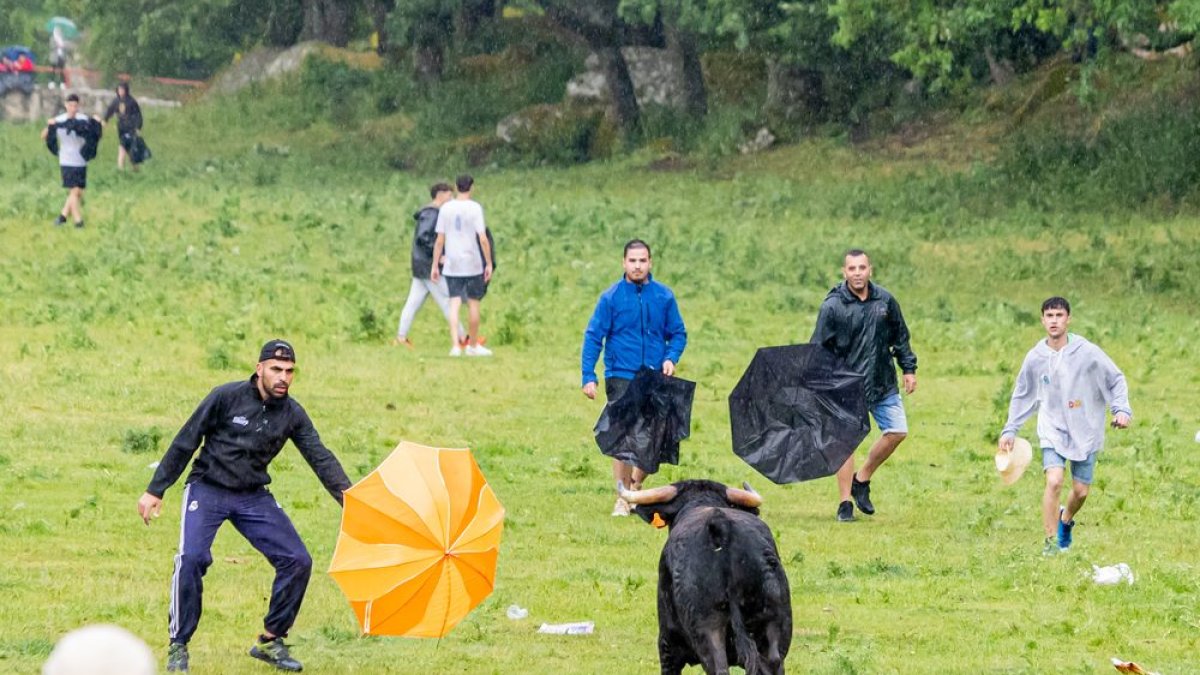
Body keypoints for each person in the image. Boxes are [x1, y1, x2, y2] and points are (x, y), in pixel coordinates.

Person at [136, 340, 351, 673]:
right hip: (207, 488)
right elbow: (187, 439)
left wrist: (350, 501)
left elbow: (320, 457)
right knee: (192, 558)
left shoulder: (292, 414)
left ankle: (271, 640)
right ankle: (178, 646)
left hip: (252, 495)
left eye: (289, 371)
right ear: (259, 368)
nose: (283, 377)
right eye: (276, 369)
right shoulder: (226, 396)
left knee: (297, 560)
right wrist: (156, 489)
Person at [998, 297, 1131, 555]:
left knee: (1080, 492)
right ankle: (1051, 544)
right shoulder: (1035, 357)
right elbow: (1022, 393)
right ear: (1042, 320)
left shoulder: (1087, 352)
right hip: (1052, 427)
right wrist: (1010, 429)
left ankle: (1065, 520)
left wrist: (1121, 409)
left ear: (1068, 319)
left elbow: (1115, 379)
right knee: (1054, 481)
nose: (1054, 321)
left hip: (1085, 428)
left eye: (1059, 315)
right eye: (1049, 316)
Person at [581, 239, 687, 516]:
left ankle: (636, 486)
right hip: (621, 375)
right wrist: (588, 375)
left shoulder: (664, 297)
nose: (637, 266)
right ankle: (621, 497)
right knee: (623, 439)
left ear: (650, 263)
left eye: (642, 260)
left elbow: (678, 333)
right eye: (632, 261)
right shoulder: (611, 298)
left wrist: (670, 358)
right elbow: (594, 336)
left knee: (655, 438)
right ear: (624, 263)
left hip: (654, 375)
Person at [811, 248, 917, 522]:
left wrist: (908, 369)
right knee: (845, 443)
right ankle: (845, 503)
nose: (857, 273)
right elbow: (818, 347)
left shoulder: (885, 301)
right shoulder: (832, 306)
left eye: (862, 268)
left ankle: (862, 478)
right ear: (844, 272)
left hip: (882, 381)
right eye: (852, 268)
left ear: (870, 270)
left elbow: (900, 337)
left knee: (898, 431)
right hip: (845, 385)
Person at [394, 182, 468, 349]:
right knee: (447, 301)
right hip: (429, 266)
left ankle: (401, 338)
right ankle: (463, 338)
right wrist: (438, 255)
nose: (451, 199)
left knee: (413, 303)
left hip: (421, 265)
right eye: (449, 195)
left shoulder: (430, 213)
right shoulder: (432, 214)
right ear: (440, 195)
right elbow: (424, 237)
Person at [431, 174, 494, 357]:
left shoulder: (446, 208)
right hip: (472, 262)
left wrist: (435, 264)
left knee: (454, 303)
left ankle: (455, 346)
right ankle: (472, 345)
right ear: (472, 187)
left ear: (456, 187)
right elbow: (483, 238)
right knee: (474, 303)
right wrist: (488, 262)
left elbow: (440, 240)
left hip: (452, 262)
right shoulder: (475, 208)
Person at [41, 94, 101, 229]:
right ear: (66, 105)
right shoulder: (59, 120)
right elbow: (43, 135)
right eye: (70, 105)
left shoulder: (83, 119)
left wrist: (97, 122)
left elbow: (96, 131)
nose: (73, 108)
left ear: (78, 106)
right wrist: (49, 127)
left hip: (81, 159)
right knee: (74, 190)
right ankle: (78, 222)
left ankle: (62, 217)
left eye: (75, 105)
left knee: (78, 192)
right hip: (66, 159)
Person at [102, 82, 144, 171]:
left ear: (126, 90)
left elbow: (138, 115)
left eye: (122, 89)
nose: (120, 91)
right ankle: (131, 169)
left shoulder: (131, 101)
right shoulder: (116, 101)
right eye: (119, 89)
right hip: (121, 128)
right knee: (126, 147)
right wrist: (105, 120)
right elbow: (110, 110)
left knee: (126, 147)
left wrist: (138, 127)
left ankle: (124, 169)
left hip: (130, 128)